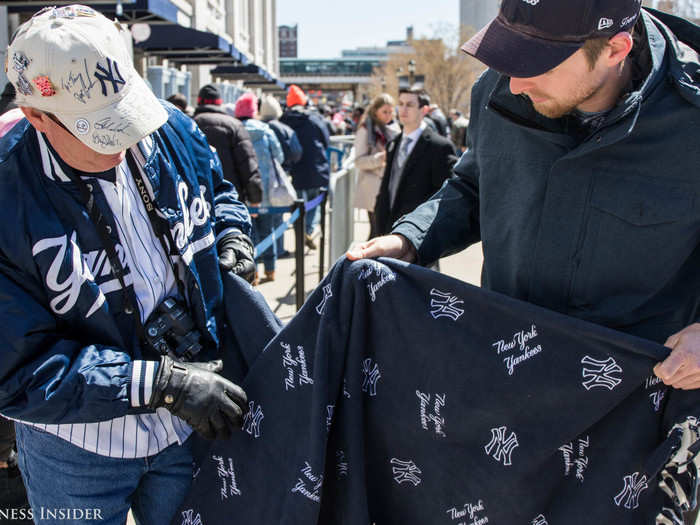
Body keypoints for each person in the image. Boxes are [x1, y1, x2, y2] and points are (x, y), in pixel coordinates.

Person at [348, 4, 700, 517]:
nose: (514, 84)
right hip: (510, 387)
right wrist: (408, 238)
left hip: (634, 411)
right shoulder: (500, 86)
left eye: (537, 63)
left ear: (616, 50)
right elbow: (471, 185)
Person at [0, 6, 254, 524]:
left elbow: (220, 191)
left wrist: (231, 234)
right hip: (75, 450)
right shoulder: (7, 194)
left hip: (188, 431)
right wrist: (162, 384)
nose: (122, 141)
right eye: (99, 129)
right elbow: (15, 373)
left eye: (126, 114)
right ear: (36, 115)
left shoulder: (172, 129)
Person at [372, 87, 457, 238]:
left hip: (419, 238)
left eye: (409, 105)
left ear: (424, 110)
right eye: (401, 104)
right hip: (388, 231)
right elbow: (388, 187)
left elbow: (443, 197)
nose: (403, 109)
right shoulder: (393, 143)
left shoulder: (440, 147)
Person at [230, 93, 284, 283]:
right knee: (268, 230)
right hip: (266, 189)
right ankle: (271, 270)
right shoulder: (265, 130)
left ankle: (253, 273)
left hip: (243, 192)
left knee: (249, 234)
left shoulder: (234, 129)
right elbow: (279, 155)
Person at [194, 84, 262, 209]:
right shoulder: (234, 125)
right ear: (220, 102)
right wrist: (255, 198)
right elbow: (247, 164)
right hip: (231, 199)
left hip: (197, 201)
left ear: (199, 102)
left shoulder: (188, 124)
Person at [280, 84, 330, 250]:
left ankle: (301, 233)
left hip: (294, 171)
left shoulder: (283, 120)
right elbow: (326, 140)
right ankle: (308, 230)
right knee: (314, 205)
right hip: (316, 168)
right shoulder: (315, 119)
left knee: (297, 206)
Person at [259, 94, 302, 258]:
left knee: (259, 220)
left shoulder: (256, 127)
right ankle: (278, 251)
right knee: (277, 218)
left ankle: (262, 253)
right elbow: (296, 151)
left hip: (256, 179)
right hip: (279, 178)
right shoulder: (284, 128)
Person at [352, 94, 400, 239]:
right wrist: (380, 158)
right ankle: (366, 261)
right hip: (373, 187)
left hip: (391, 184)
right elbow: (358, 161)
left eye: (391, 112)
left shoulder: (394, 127)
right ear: (375, 111)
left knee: (386, 231)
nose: (388, 115)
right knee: (377, 231)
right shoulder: (366, 130)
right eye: (385, 112)